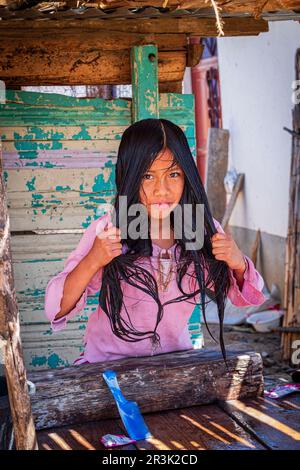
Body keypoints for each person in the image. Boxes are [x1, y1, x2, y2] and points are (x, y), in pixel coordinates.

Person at [44, 118, 265, 365]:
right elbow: (57, 308)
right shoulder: (109, 230)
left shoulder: (201, 230)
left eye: (173, 174)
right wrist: (93, 260)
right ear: (130, 176)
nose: (162, 189)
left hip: (174, 364)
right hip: (107, 367)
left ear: (187, 176)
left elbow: (244, 299)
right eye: (148, 175)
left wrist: (238, 264)